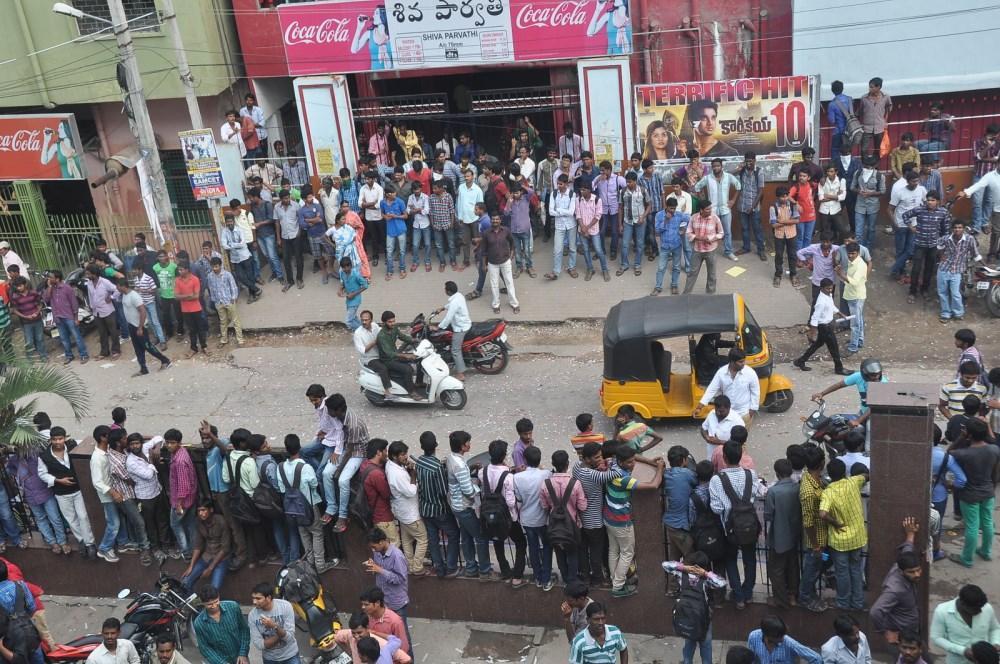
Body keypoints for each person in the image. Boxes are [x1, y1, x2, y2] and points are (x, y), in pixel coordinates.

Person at [605, 446, 664, 598]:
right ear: (621, 462)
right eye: (630, 462)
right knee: (627, 552)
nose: (634, 464)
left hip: (609, 517)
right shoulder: (623, 479)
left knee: (614, 550)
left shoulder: (611, 463)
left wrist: (649, 460)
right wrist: (659, 468)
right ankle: (618, 587)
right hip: (621, 521)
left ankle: (615, 580)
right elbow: (653, 485)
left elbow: (635, 456)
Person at [818, 458, 869, 609]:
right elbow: (867, 475)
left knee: (842, 573)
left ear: (830, 475)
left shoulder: (829, 492)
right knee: (855, 570)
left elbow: (822, 514)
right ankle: (858, 602)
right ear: (844, 473)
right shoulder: (854, 482)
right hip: (857, 538)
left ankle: (843, 603)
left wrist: (835, 523)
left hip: (839, 541)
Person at [949, 419, 999, 568]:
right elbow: (995, 473)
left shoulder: (964, 453)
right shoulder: (994, 449)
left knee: (972, 526)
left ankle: (967, 558)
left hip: (969, 494)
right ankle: (985, 551)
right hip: (988, 492)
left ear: (969, 434)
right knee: (988, 522)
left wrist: (961, 437)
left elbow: (948, 452)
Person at [662, 552, 727, 664]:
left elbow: (665, 565)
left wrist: (683, 567)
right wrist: (706, 573)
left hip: (688, 616)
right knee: (706, 645)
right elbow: (721, 582)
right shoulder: (706, 580)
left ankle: (687, 661)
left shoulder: (681, 575)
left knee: (689, 642)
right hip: (704, 619)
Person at [574, 442, 620, 588]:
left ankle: (586, 577)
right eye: (597, 457)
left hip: (580, 519)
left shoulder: (577, 467)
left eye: (601, 456)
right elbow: (617, 473)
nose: (600, 458)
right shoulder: (594, 475)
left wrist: (600, 465)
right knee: (596, 551)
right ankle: (598, 579)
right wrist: (610, 461)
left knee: (583, 550)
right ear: (587, 459)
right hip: (595, 522)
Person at [870, 517, 922, 645]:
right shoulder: (895, 590)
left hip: (912, 628)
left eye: (918, 570)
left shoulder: (903, 563)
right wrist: (885, 632)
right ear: (901, 571)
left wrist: (910, 534)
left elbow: (907, 550)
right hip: (902, 635)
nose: (916, 575)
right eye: (911, 572)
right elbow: (875, 612)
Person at [365, 530, 413, 657]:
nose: (373, 550)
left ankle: (408, 659)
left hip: (396, 602)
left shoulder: (397, 556)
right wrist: (373, 567)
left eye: (374, 547)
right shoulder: (378, 553)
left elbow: (400, 579)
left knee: (402, 636)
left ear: (381, 542)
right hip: (383, 601)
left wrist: (380, 570)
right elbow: (378, 571)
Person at [384, 442, 427, 575]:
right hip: (410, 514)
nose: (406, 457)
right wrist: (413, 474)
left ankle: (410, 565)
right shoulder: (397, 474)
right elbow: (410, 492)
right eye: (402, 455)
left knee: (407, 540)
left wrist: (407, 469)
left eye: (405, 454)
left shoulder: (391, 466)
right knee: (423, 539)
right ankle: (417, 567)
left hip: (402, 513)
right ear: (394, 456)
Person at [764, 458, 801, 609]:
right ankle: (793, 596)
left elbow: (768, 515)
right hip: (795, 535)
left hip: (779, 537)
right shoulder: (797, 488)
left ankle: (781, 599)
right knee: (793, 566)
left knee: (776, 570)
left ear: (777, 474)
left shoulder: (773, 491)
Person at [931, 585, 1000, 664]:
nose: (980, 611)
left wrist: (996, 643)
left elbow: (994, 629)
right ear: (963, 604)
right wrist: (962, 651)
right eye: (975, 609)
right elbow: (936, 638)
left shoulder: (987, 608)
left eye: (981, 607)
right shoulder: (942, 611)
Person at [793, 278, 850, 375]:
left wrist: (840, 313)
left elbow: (831, 306)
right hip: (824, 327)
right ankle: (839, 368)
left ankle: (801, 361)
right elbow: (815, 317)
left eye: (831, 288)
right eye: (828, 289)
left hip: (828, 325)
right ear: (822, 288)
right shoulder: (820, 301)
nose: (830, 290)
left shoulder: (828, 295)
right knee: (834, 348)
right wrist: (812, 332)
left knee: (817, 345)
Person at [116, 279, 171, 376]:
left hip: (139, 326)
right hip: (132, 325)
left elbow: (143, 311)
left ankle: (165, 360)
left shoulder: (134, 296)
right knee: (137, 348)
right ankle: (143, 368)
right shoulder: (124, 295)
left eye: (118, 286)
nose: (117, 288)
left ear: (123, 286)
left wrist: (140, 327)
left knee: (147, 346)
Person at [693, 158, 741, 260]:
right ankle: (708, 251)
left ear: (721, 166)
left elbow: (738, 186)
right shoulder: (707, 178)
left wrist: (733, 200)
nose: (716, 168)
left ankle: (728, 252)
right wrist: (703, 201)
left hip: (725, 209)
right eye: (714, 166)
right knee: (710, 231)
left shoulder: (728, 177)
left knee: (727, 232)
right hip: (712, 211)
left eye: (717, 166)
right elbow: (697, 187)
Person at [699, 348, 760, 426]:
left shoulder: (750, 373)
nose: (743, 363)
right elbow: (711, 390)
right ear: (732, 362)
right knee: (725, 436)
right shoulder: (721, 372)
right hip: (727, 413)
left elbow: (755, 391)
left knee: (741, 437)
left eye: (744, 361)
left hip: (744, 413)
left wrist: (752, 410)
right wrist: (700, 406)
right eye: (740, 362)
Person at [194, 585, 251, 664]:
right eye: (209, 604)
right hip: (219, 661)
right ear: (203, 603)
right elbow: (205, 648)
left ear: (219, 597)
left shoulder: (233, 607)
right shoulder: (199, 623)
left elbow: (244, 630)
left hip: (240, 658)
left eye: (216, 601)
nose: (214, 606)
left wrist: (243, 653)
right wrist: (221, 663)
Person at [180, 502, 230, 591]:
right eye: (199, 511)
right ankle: (194, 603)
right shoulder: (198, 522)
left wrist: (210, 568)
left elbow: (225, 548)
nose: (201, 513)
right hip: (206, 556)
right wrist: (191, 566)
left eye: (203, 510)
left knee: (213, 590)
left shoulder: (221, 521)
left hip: (221, 558)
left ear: (211, 510)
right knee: (185, 582)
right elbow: (198, 545)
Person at [42, 270, 89, 365]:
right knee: (64, 338)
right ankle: (69, 356)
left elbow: (74, 303)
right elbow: (46, 299)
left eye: (51, 277)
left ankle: (83, 355)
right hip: (58, 318)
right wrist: (50, 287)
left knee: (77, 337)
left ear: (57, 279)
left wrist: (76, 318)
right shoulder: (51, 289)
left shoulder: (67, 288)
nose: (49, 279)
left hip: (69, 317)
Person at [165, 429, 197, 557]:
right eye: (167, 443)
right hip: (191, 499)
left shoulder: (179, 462)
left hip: (182, 501)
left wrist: (179, 504)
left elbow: (184, 485)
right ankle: (194, 548)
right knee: (190, 524)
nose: (169, 445)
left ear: (179, 443)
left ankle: (186, 552)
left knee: (175, 524)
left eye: (172, 443)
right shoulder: (181, 452)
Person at [249, 582, 299, 664]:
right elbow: (259, 644)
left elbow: (289, 638)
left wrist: (274, 626)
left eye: (258, 599)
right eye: (253, 598)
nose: (254, 602)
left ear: (268, 598)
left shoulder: (285, 606)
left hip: (290, 656)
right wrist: (281, 633)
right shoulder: (253, 615)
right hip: (270, 659)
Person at [430, 281, 470, 381]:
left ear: (448, 291)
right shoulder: (458, 296)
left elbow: (448, 318)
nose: (444, 290)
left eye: (445, 289)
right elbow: (451, 305)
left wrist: (438, 327)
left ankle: (461, 374)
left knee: (455, 350)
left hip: (460, 327)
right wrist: (443, 308)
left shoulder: (455, 302)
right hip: (463, 323)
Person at [746, 615, 822, 664]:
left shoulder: (789, 643)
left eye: (783, 635)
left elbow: (816, 658)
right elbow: (751, 659)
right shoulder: (754, 637)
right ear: (767, 635)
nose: (782, 639)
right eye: (779, 637)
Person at [682, 205, 724, 294]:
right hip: (697, 250)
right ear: (701, 210)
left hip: (711, 250)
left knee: (712, 275)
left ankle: (710, 295)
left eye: (710, 209)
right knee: (692, 273)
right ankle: (686, 295)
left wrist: (712, 238)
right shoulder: (693, 218)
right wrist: (701, 238)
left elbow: (721, 233)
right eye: (707, 209)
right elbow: (688, 233)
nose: (710, 211)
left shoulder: (715, 218)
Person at [835, 242, 868, 355]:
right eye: (849, 254)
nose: (850, 256)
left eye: (853, 254)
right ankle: (859, 341)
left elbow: (853, 282)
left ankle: (853, 347)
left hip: (856, 297)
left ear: (858, 253)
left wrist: (841, 274)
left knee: (855, 324)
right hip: (851, 295)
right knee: (859, 320)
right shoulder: (852, 261)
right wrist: (841, 275)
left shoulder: (861, 265)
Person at [651, 197, 689, 295]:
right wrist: (666, 220)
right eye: (671, 208)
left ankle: (674, 285)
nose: (672, 211)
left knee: (676, 267)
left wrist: (684, 228)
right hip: (664, 246)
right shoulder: (659, 215)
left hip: (677, 244)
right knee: (661, 267)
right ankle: (658, 287)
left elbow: (690, 219)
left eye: (674, 208)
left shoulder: (679, 215)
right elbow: (657, 231)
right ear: (666, 206)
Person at [360, 587, 410, 656]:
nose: (363, 607)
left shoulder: (395, 621)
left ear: (377, 603)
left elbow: (403, 648)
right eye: (362, 604)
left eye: (366, 604)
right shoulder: (365, 617)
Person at [85, 264, 120, 360]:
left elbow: (117, 289)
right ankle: (104, 352)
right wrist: (91, 307)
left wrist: (112, 297)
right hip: (97, 312)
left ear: (94, 274)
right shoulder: (89, 283)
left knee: (113, 331)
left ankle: (116, 351)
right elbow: (90, 296)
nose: (87, 276)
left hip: (108, 311)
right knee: (102, 333)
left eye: (88, 274)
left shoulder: (105, 282)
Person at [546, 175, 578, 280]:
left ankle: (571, 267)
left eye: (561, 184)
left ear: (566, 184)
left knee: (572, 248)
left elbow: (571, 212)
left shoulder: (572, 194)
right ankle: (556, 271)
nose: (558, 186)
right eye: (558, 183)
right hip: (559, 226)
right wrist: (564, 211)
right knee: (557, 249)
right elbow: (551, 212)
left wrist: (558, 210)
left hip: (571, 225)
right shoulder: (553, 194)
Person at [575, 182, 609, 282]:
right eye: (581, 190)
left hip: (594, 230)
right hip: (582, 230)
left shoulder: (597, 200)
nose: (581, 192)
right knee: (585, 250)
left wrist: (587, 228)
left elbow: (597, 216)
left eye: (584, 190)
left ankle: (605, 270)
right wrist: (583, 228)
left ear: (589, 190)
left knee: (598, 250)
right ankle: (590, 269)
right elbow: (578, 215)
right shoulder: (578, 199)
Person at [736, 152, 766, 260]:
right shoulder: (742, 171)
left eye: (750, 161)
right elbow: (728, 175)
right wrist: (738, 169)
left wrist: (753, 207)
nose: (748, 163)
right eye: (747, 161)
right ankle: (746, 247)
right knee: (744, 228)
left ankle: (761, 250)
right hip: (742, 205)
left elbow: (760, 191)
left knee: (757, 229)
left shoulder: (759, 172)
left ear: (755, 160)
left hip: (754, 207)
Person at [851, 155, 885, 249]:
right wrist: (859, 191)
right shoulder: (858, 173)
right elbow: (852, 187)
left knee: (871, 229)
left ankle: (868, 248)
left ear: (874, 166)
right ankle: (860, 249)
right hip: (860, 205)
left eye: (870, 166)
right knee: (858, 230)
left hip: (873, 205)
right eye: (866, 166)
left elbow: (882, 191)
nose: (868, 168)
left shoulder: (879, 176)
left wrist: (870, 194)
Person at [770, 186, 801, 288]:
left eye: (786, 196)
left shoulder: (793, 205)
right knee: (779, 255)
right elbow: (774, 225)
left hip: (792, 234)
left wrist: (782, 221)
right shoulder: (773, 207)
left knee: (792, 255)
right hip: (779, 235)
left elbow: (797, 220)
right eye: (782, 197)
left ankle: (793, 274)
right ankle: (778, 275)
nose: (785, 198)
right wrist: (789, 221)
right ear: (778, 197)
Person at [700, 395, 743, 461]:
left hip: (726, 459)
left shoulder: (737, 421)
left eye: (721, 411)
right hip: (711, 455)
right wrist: (706, 437)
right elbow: (703, 428)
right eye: (716, 410)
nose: (718, 413)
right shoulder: (712, 413)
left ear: (729, 408)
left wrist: (719, 442)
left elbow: (738, 444)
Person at [858, 77, 891, 158]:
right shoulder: (864, 98)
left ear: (878, 87)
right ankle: (865, 166)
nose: (870, 89)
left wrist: (885, 121)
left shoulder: (886, 97)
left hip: (879, 127)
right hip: (866, 128)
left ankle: (875, 167)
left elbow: (889, 108)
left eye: (872, 87)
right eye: (869, 87)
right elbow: (860, 111)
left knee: (878, 149)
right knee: (863, 149)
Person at [338, 258, 369, 332]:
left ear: (351, 266)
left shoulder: (356, 274)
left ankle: (362, 330)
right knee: (353, 317)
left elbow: (365, 286)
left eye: (347, 266)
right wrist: (340, 289)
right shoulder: (342, 273)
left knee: (348, 321)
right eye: (344, 267)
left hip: (355, 300)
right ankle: (364, 328)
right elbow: (343, 283)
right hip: (348, 300)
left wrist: (354, 294)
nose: (346, 269)